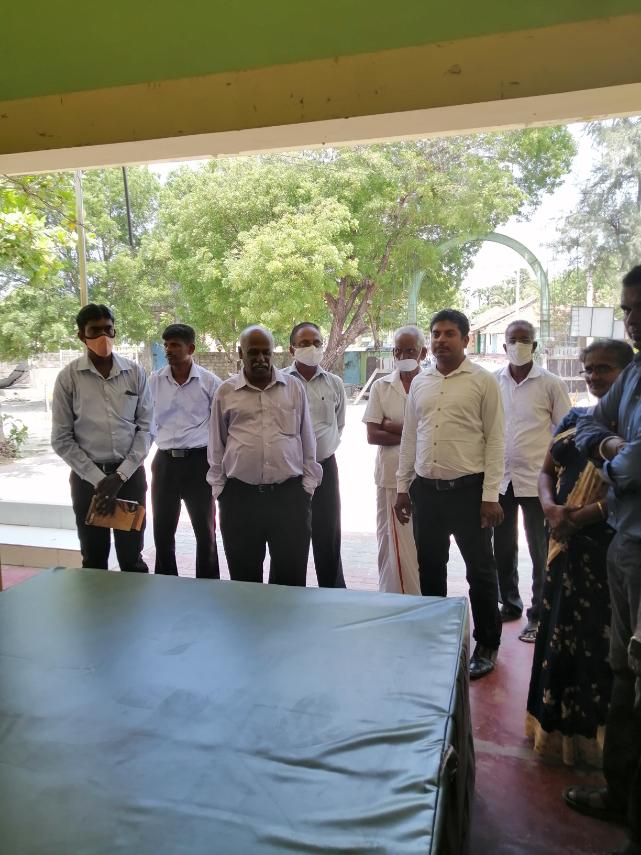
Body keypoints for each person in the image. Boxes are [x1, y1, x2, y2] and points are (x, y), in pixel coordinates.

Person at [526, 338, 633, 767]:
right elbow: (546, 471)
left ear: (627, 376)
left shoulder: (632, 430)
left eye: (604, 369)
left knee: (597, 643)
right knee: (557, 631)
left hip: (605, 550)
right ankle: (551, 731)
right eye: (589, 369)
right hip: (562, 542)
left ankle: (597, 746)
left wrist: (582, 516)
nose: (593, 376)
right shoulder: (577, 418)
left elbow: (629, 490)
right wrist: (551, 509)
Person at [564, 268, 641, 855]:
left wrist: (617, 459)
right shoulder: (636, 375)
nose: (631, 319)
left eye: (638, 308)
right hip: (625, 543)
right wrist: (616, 447)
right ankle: (619, 792)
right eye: (627, 309)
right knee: (624, 670)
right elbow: (588, 426)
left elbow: (631, 470)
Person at [395, 309, 504, 679]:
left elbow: (496, 440)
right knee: (430, 567)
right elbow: (410, 437)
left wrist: (490, 496)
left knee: (480, 570)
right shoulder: (421, 383)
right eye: (436, 333)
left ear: (466, 339)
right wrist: (403, 488)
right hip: (426, 493)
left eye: (449, 333)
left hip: (470, 493)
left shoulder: (483, 381)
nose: (441, 339)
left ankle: (487, 643)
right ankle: (435, 634)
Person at [207, 325, 322, 586]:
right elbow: (216, 446)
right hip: (240, 500)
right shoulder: (225, 392)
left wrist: (307, 487)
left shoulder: (293, 388)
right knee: (245, 583)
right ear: (241, 353)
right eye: (253, 352)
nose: (260, 358)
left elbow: (307, 440)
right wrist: (220, 490)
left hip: (289, 499)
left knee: (290, 582)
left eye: (266, 352)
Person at [51, 304, 153, 572]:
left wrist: (119, 476)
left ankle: (133, 600)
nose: (103, 337)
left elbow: (146, 429)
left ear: (115, 331)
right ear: (81, 335)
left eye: (108, 329)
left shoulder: (135, 373)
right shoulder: (68, 378)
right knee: (94, 559)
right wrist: (100, 480)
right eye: (95, 331)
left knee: (132, 558)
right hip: (87, 483)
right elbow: (61, 438)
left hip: (129, 479)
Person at [495, 320, 571, 642]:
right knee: (502, 547)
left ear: (535, 346)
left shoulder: (551, 384)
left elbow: (566, 433)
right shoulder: (492, 382)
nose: (518, 346)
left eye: (524, 340)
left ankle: (538, 614)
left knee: (540, 550)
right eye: (513, 340)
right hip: (500, 480)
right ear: (504, 346)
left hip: (536, 480)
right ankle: (509, 603)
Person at [149, 324, 221, 579]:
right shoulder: (154, 382)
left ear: (190, 348)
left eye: (175, 345)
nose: (168, 350)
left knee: (206, 531)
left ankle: (208, 586)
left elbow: (221, 426)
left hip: (199, 464)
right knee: (162, 531)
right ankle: (166, 584)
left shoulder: (210, 383)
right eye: (166, 345)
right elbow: (146, 422)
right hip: (165, 464)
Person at [363, 325, 425, 595]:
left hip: (425, 476)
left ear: (423, 353)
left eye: (410, 350)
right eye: (398, 351)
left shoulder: (432, 384)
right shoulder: (381, 386)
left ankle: (419, 598)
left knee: (419, 544)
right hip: (390, 475)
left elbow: (435, 433)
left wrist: (393, 426)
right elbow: (373, 435)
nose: (403, 356)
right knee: (392, 543)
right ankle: (394, 598)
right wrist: (414, 432)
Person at [284, 322, 346, 588]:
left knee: (328, 535)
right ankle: (288, 594)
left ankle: (332, 594)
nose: (312, 348)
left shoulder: (334, 383)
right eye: (304, 343)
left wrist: (322, 448)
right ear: (292, 349)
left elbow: (339, 424)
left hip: (325, 468)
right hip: (290, 472)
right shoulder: (281, 383)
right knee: (289, 536)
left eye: (317, 343)